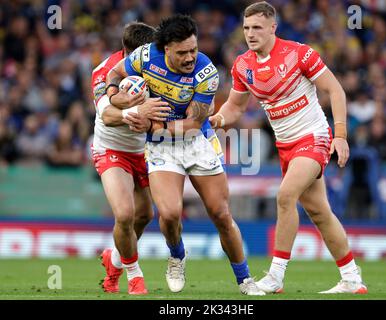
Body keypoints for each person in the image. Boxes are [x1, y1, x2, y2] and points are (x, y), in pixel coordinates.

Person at [210, 2, 367, 294]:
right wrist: (217, 119)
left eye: (257, 27)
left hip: (314, 137)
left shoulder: (299, 54)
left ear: (273, 27)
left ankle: (275, 275)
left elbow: (335, 90)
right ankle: (352, 278)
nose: (250, 33)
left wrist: (341, 135)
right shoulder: (244, 65)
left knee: (285, 196)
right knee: (319, 212)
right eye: (246, 28)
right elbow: (235, 107)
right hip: (286, 145)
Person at [106, 14, 264, 296]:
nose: (190, 57)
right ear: (165, 49)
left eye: (193, 49)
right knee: (168, 214)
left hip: (195, 141)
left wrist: (153, 124)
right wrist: (117, 95)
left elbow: (193, 123)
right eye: (182, 53)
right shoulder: (144, 56)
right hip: (161, 146)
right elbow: (115, 73)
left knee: (221, 213)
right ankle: (177, 255)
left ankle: (245, 279)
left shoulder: (206, 73)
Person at [91, 21, 170, 295]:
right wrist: (132, 111)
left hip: (146, 150)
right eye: (140, 56)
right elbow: (107, 116)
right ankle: (135, 276)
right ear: (126, 53)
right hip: (112, 149)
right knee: (124, 214)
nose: (146, 62)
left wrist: (152, 119)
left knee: (145, 214)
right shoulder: (104, 73)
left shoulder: (159, 68)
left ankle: (113, 260)